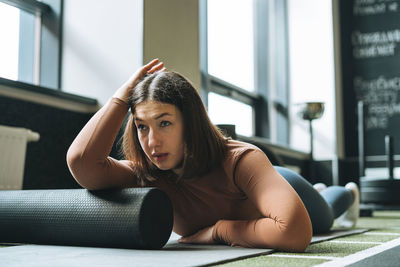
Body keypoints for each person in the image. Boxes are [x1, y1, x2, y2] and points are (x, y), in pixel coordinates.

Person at [67, 59, 359, 252]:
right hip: (270, 192)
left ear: (190, 122)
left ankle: (345, 193)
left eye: (165, 123)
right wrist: (121, 98)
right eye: (142, 127)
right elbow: (82, 164)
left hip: (282, 184)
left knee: (326, 215)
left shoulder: (240, 160)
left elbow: (293, 233)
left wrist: (220, 231)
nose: (152, 141)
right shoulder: (147, 173)